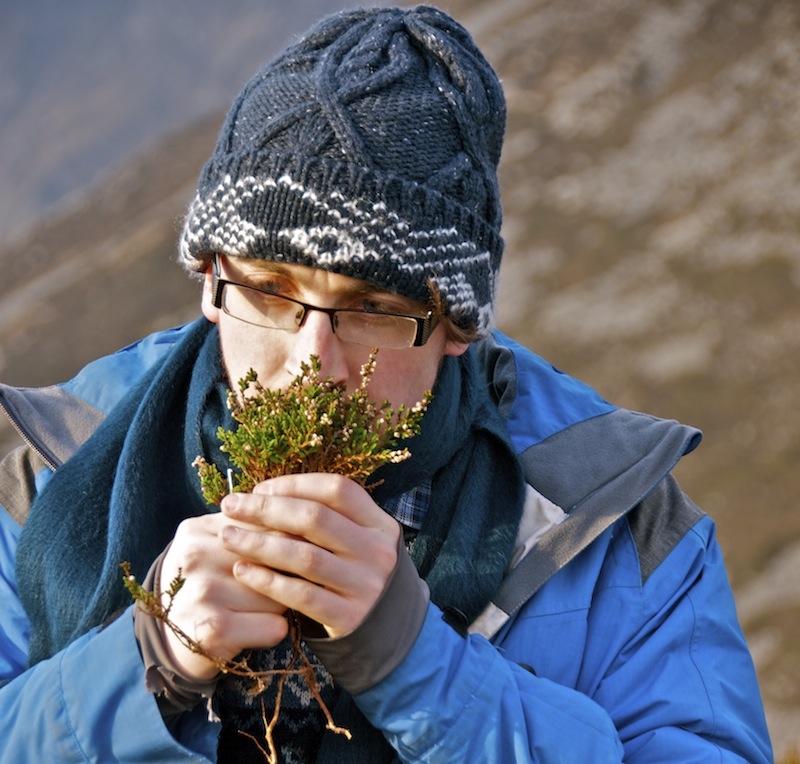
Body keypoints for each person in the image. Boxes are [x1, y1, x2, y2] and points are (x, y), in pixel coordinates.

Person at [0, 5, 773, 762]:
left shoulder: (624, 525)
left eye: (373, 308)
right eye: (269, 290)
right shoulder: (52, 467)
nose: (314, 364)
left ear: (457, 330)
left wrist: (418, 664)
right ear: (210, 279)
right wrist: (148, 660)